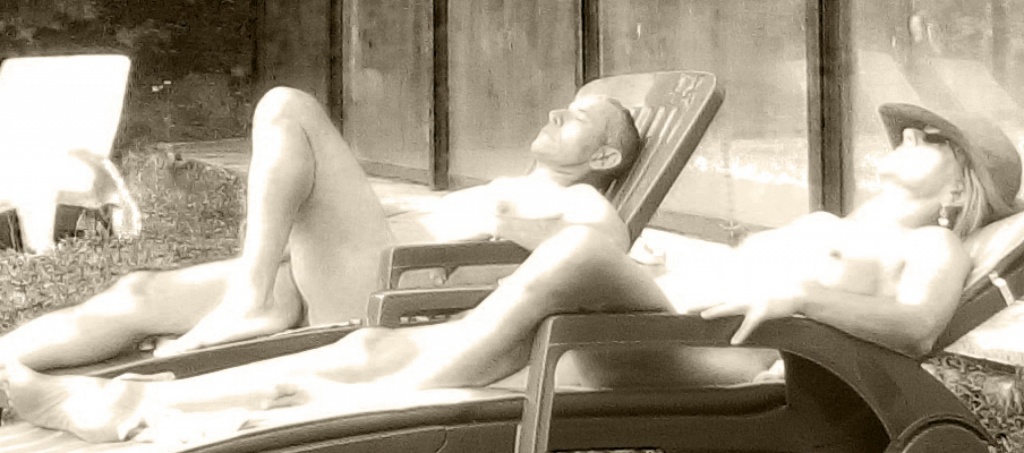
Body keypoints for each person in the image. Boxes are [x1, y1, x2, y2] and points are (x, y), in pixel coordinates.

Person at [3, 102, 1020, 444]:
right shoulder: (837, 220)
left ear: (957, 194)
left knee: (575, 251)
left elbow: (914, 327)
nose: (907, 140)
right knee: (369, 342)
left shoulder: (929, 245)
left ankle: (399, 394)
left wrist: (795, 292)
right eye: (908, 131)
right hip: (676, 329)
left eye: (931, 141)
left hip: (736, 363)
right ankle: (132, 405)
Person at [0, 87, 641, 371]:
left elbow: (604, 249)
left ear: (605, 156)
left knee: (288, 108)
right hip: (335, 271)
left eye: (579, 117)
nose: (556, 111)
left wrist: (512, 222)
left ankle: (251, 298)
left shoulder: (575, 201)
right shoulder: (504, 185)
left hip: (380, 295)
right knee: (138, 293)